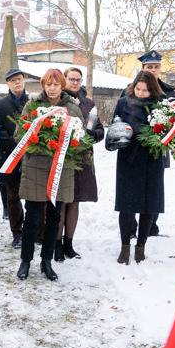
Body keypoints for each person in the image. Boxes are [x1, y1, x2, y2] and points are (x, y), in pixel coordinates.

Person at [15, 69, 85, 282]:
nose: (52, 88)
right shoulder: (32, 105)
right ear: (43, 85)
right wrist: (40, 141)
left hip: (61, 170)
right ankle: (25, 260)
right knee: (33, 217)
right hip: (36, 167)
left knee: (54, 218)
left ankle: (47, 261)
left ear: (62, 85)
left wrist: (69, 144)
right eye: (48, 84)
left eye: (56, 84)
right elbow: (20, 132)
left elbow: (80, 138)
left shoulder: (72, 108)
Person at [108, 70, 165, 265]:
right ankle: (125, 247)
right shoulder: (124, 102)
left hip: (151, 159)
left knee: (148, 205)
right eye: (138, 89)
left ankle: (141, 246)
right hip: (128, 158)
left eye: (145, 90)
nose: (140, 93)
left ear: (153, 90)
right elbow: (114, 125)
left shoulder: (161, 105)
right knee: (126, 204)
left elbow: (167, 132)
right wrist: (115, 140)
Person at [55, 67, 104, 261]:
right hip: (63, 158)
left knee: (75, 202)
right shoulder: (58, 100)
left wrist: (93, 134)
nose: (75, 82)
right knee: (61, 202)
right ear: (64, 79)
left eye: (78, 79)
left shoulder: (89, 103)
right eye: (71, 79)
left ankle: (69, 243)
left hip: (82, 158)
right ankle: (56, 244)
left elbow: (99, 129)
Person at [135, 50, 175, 237]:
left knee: (155, 188)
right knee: (132, 187)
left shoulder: (168, 91)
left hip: (158, 148)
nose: (153, 70)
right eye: (149, 67)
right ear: (142, 68)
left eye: (156, 66)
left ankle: (151, 226)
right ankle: (130, 227)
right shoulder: (132, 88)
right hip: (134, 149)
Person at [0, 68, 28, 248]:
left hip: (32, 158)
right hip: (10, 157)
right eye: (13, 80)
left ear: (24, 81)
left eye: (20, 79)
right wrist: (17, 146)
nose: (17, 83)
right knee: (13, 197)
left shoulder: (34, 102)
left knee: (33, 197)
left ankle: (34, 231)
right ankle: (17, 233)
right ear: (8, 83)